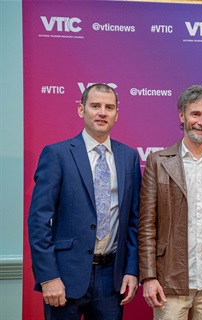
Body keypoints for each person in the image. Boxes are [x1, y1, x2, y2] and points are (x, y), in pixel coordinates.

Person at [28, 83, 141, 319]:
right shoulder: (57, 154)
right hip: (64, 276)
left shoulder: (128, 157)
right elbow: (39, 221)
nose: (102, 112)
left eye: (109, 107)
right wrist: (48, 277)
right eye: (95, 106)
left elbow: (133, 220)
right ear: (81, 110)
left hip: (112, 279)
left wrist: (131, 270)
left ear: (116, 114)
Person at [138, 85, 202, 320]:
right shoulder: (158, 162)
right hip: (169, 284)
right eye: (195, 114)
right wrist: (149, 276)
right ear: (182, 115)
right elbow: (146, 226)